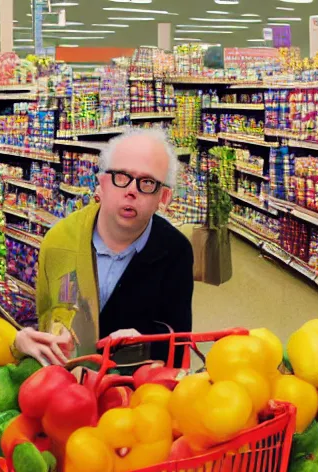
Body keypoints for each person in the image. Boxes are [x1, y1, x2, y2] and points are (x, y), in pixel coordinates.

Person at [14, 128, 194, 368]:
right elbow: (43, 313)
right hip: (65, 384)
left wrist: (146, 343)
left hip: (133, 391)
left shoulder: (176, 251)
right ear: (102, 183)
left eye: (147, 182)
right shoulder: (60, 241)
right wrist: (20, 340)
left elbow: (178, 341)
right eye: (121, 176)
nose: (131, 191)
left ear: (163, 197)